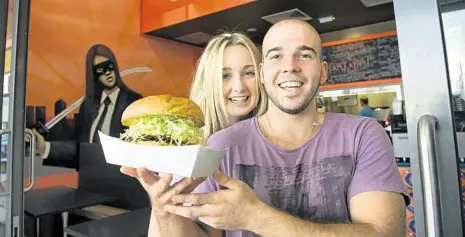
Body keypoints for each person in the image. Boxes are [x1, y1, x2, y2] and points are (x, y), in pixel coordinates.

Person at [134, 19, 409, 237]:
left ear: (323, 71)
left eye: (304, 54)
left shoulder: (363, 134)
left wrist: (256, 217)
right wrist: (164, 206)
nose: (290, 67)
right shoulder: (219, 146)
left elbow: (384, 233)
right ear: (265, 71)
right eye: (277, 56)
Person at [120, 31, 268, 236]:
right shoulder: (189, 151)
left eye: (249, 73)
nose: (239, 87)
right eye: (225, 75)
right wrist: (163, 204)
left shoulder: (272, 140)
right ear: (208, 82)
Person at [33, 44, 143, 169]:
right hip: (89, 179)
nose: (107, 73)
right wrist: (45, 147)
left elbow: (138, 149)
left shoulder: (133, 101)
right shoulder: (87, 106)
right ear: (94, 74)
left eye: (110, 66)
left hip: (120, 180)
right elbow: (81, 148)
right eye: (100, 70)